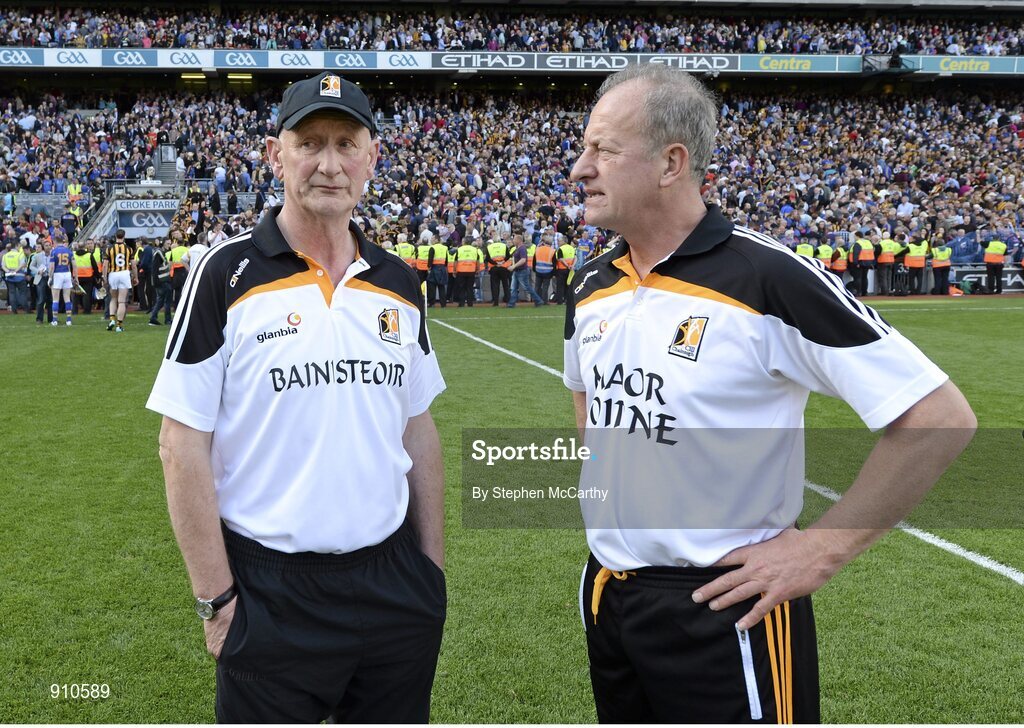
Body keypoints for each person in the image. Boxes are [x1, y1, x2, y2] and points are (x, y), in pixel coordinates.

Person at [563, 65, 976, 723]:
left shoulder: (768, 278)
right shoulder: (589, 284)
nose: (579, 168)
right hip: (609, 594)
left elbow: (939, 416)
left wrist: (822, 548)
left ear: (672, 163)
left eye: (602, 149)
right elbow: (588, 400)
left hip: (727, 604)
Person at [147, 72, 446, 724]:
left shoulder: (398, 280)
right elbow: (180, 443)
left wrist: (431, 574)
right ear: (274, 154)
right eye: (309, 142)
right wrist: (216, 602)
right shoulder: (224, 272)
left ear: (372, 157)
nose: (329, 163)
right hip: (270, 591)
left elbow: (418, 427)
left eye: (346, 143)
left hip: (393, 585)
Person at [103, 230, 138, 333]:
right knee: (122, 301)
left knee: (113, 298)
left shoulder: (109, 248)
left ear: (115, 236)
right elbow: (134, 265)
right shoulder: (129, 249)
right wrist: (135, 277)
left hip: (113, 274)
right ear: (124, 236)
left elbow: (105, 265)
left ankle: (112, 319)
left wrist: (104, 277)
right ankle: (119, 325)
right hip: (124, 273)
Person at [507, 232, 544, 307]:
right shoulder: (518, 248)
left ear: (519, 240)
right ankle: (511, 303)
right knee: (514, 287)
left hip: (522, 271)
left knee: (526, 287)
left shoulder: (522, 249)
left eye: (514, 239)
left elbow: (523, 260)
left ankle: (538, 300)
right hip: (517, 271)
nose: (513, 241)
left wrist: (514, 266)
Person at [48, 234, 76, 326]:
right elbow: (74, 265)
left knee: (55, 299)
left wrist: (50, 277)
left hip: (57, 274)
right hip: (67, 274)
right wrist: (75, 277)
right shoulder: (68, 251)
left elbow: (52, 267)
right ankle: (69, 320)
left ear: (55, 242)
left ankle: (55, 320)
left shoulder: (54, 251)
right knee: (67, 298)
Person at [148, 237, 173, 326]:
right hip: (162, 280)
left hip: (162, 280)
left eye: (170, 244)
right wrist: (155, 281)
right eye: (168, 244)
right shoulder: (159, 253)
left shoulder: (161, 252)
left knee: (161, 301)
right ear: (163, 243)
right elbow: (154, 268)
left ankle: (153, 318)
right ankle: (167, 319)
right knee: (167, 301)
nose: (169, 246)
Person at [29, 238, 53, 324]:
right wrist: (38, 271)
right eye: (46, 245)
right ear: (43, 247)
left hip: (50, 278)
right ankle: (39, 319)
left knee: (50, 299)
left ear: (51, 246)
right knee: (41, 299)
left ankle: (51, 319)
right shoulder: (37, 256)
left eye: (49, 245)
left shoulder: (54, 255)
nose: (48, 247)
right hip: (41, 278)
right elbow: (31, 266)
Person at [2, 241, 29, 313]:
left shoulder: (5, 255)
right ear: (16, 245)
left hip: (9, 277)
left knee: (12, 293)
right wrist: (15, 271)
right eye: (19, 246)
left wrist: (8, 271)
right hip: (19, 276)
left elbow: (3, 266)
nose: (20, 247)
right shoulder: (20, 255)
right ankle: (26, 309)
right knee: (22, 293)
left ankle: (14, 310)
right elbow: (22, 264)